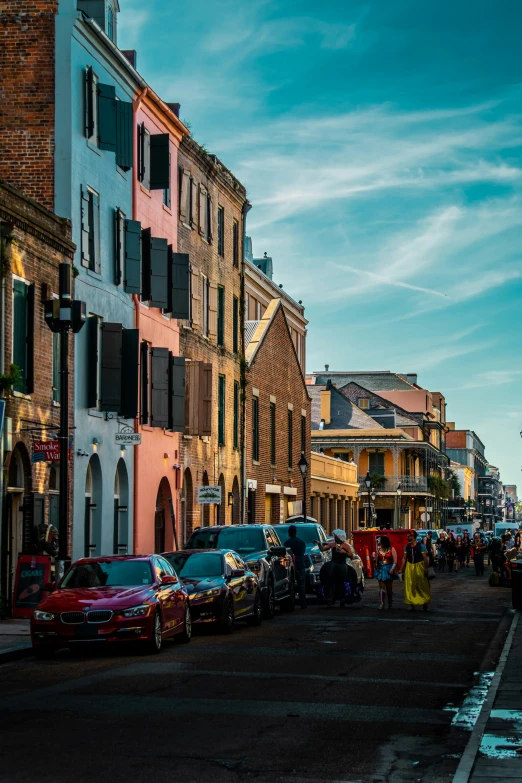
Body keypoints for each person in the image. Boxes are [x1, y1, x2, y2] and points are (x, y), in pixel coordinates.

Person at [316, 529, 358, 605]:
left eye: (336, 536)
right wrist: (319, 544)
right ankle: (329, 594)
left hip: (342, 564)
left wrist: (344, 552)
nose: (334, 538)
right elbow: (323, 548)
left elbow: (351, 556)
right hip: (333, 563)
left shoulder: (346, 546)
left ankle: (343, 596)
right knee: (328, 571)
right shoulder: (332, 544)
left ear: (339, 537)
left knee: (347, 575)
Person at [398, 530, 431, 611]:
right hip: (409, 566)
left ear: (413, 536)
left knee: (421, 584)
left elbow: (425, 558)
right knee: (409, 585)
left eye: (409, 536)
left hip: (419, 566)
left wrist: (426, 569)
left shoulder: (421, 546)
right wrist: (401, 569)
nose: (407, 537)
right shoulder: (407, 547)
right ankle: (411, 603)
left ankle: (424, 601)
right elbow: (404, 558)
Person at [284, 525, 307, 609]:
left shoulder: (287, 543)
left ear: (289, 532)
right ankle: (303, 603)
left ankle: (291, 603)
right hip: (300, 565)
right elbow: (303, 553)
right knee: (301, 585)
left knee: (291, 585)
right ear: (296, 532)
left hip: (291, 566)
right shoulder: (301, 542)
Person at [373, 535, 397, 610]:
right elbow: (375, 560)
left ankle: (390, 603)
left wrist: (392, 569)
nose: (380, 543)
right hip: (381, 569)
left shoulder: (391, 549)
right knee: (381, 587)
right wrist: (374, 558)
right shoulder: (378, 550)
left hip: (389, 569)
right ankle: (382, 603)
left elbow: (395, 560)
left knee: (389, 589)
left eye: (381, 542)